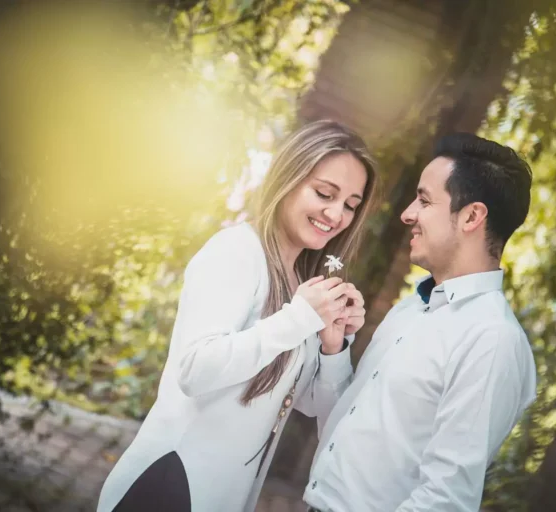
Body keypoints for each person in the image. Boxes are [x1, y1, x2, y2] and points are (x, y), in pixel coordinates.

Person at [97, 120, 377, 512]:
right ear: (288, 178)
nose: (336, 214)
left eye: (350, 204)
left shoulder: (300, 283)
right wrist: (298, 318)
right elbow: (195, 370)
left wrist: (333, 345)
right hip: (170, 487)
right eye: (325, 193)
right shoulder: (236, 252)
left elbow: (315, 407)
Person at [303, 133, 537, 511]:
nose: (407, 213)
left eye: (425, 200)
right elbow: (346, 427)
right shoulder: (412, 310)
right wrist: (333, 350)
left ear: (472, 216)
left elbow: (446, 499)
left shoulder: (492, 340)